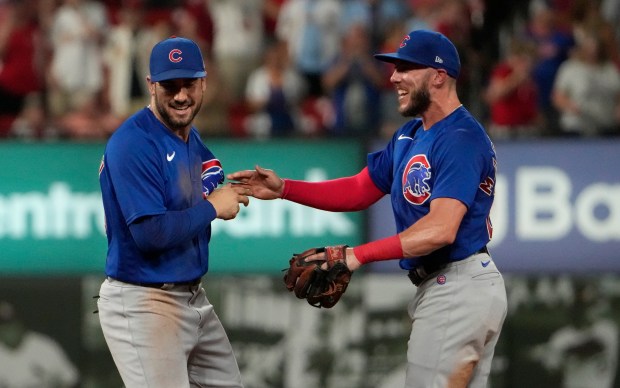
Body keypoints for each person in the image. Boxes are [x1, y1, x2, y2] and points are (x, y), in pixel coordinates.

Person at [229, 29, 507, 387]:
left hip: (457, 282)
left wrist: (355, 256)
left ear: (439, 76)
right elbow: (361, 188)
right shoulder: (411, 134)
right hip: (449, 286)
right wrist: (285, 188)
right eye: (394, 68)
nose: (394, 77)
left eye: (406, 67)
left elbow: (440, 230)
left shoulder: (459, 137)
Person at [97, 36, 249, 388]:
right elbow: (150, 235)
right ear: (151, 86)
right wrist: (212, 206)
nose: (181, 95)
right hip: (144, 300)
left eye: (188, 84)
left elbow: (211, 167)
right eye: (169, 86)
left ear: (203, 83)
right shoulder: (133, 142)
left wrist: (232, 187)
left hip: (192, 296)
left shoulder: (186, 134)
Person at [0, 300, 79, 388]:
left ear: (21, 325)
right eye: (4, 328)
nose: (9, 332)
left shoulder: (44, 346)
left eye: (12, 326)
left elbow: (70, 378)